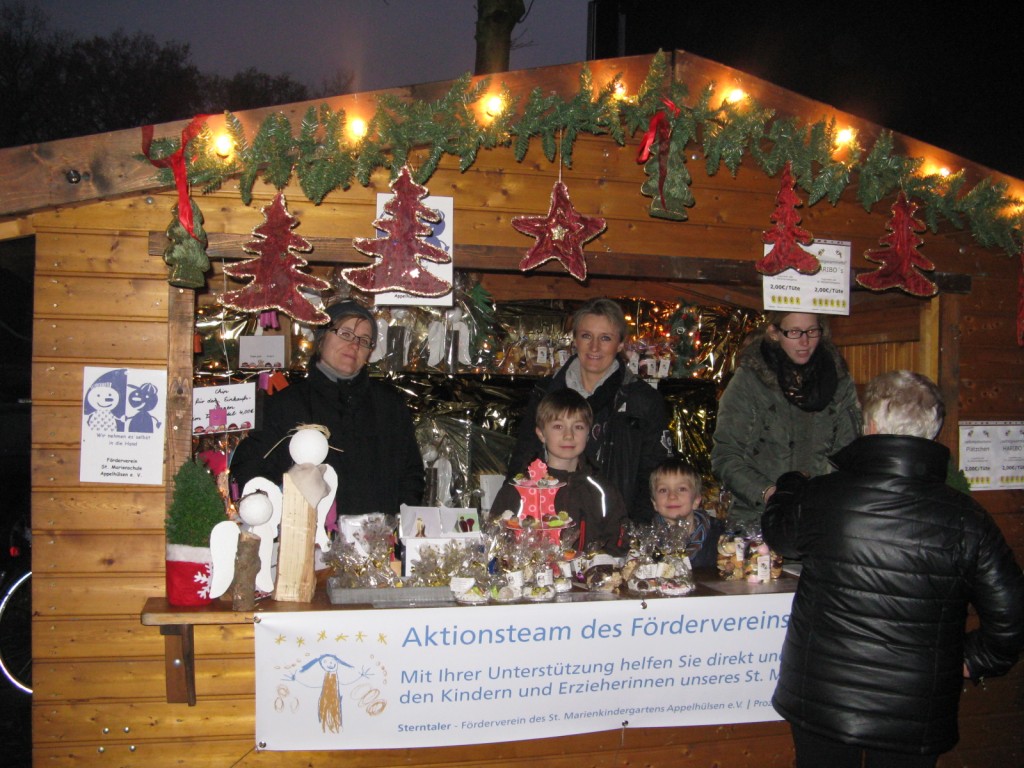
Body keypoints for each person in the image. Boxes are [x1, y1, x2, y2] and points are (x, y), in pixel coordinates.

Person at [763, 371, 1024, 767]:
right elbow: (1012, 616)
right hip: (915, 705)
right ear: (933, 432)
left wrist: (787, 486)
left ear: (869, 426)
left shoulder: (822, 497)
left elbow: (778, 534)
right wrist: (972, 659)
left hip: (825, 699)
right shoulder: (967, 518)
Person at [231, 300, 424, 516]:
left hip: (378, 542)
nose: (354, 345)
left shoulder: (389, 406)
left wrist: (396, 522)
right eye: (345, 333)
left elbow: (411, 473)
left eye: (364, 340)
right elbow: (251, 471)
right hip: (310, 542)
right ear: (322, 338)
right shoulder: (285, 405)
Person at [507, 298, 672, 523]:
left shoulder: (643, 400)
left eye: (605, 338)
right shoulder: (545, 393)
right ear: (575, 340)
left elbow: (656, 474)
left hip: (618, 523)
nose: (594, 347)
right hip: (550, 521)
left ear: (621, 344)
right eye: (586, 336)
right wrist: (515, 515)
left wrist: (635, 529)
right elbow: (524, 458)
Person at [711, 311, 860, 529]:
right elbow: (725, 456)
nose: (804, 341)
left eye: (811, 331)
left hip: (819, 518)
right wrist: (768, 492)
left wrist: (825, 496)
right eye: (794, 332)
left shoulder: (839, 382)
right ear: (774, 332)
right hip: (758, 519)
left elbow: (849, 453)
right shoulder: (749, 382)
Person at [491, 389, 628, 555]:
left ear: (589, 433)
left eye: (578, 427)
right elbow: (496, 543)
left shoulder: (603, 493)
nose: (568, 435)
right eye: (558, 426)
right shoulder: (517, 491)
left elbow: (618, 546)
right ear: (541, 434)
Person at [649, 457, 724, 569]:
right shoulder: (647, 542)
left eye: (682, 489)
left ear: (696, 500)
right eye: (663, 490)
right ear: (654, 503)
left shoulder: (720, 538)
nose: (672, 496)